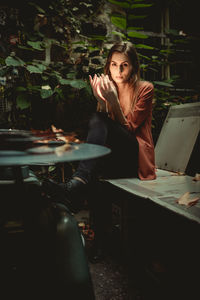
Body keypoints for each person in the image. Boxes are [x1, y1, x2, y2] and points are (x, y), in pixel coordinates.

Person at [61, 41, 157, 262]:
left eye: (124, 65)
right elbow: (103, 133)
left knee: (98, 120)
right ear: (108, 65)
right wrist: (102, 101)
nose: (119, 71)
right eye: (114, 65)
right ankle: (101, 243)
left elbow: (130, 130)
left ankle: (77, 183)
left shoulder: (145, 88)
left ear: (133, 66)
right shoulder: (107, 85)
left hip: (134, 153)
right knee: (97, 177)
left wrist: (112, 102)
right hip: (111, 156)